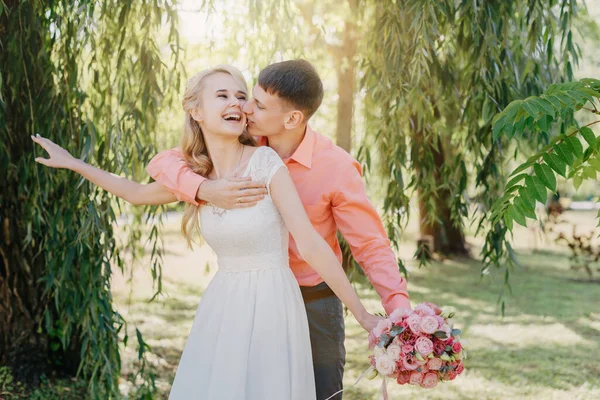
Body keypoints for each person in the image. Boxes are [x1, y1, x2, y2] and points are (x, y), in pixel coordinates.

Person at [30, 65, 382, 400]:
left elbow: (311, 244)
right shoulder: (198, 177)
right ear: (195, 111)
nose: (235, 102)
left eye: (240, 95)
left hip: (274, 301)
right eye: (222, 95)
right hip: (225, 303)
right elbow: (136, 193)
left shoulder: (265, 164)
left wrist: (363, 313)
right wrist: (73, 162)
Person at [147, 59, 411, 400]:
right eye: (249, 98)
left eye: (256, 104)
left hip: (315, 299)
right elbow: (167, 161)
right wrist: (202, 188)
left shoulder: (337, 168)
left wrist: (398, 307)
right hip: (252, 300)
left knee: (320, 393)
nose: (244, 107)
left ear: (292, 118)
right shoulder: (242, 141)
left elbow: (370, 245)